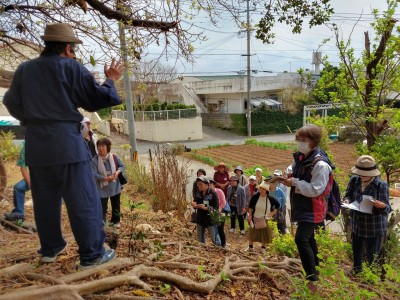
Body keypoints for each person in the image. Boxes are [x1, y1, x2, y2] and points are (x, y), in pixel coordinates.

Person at [3, 23, 123, 268]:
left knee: (45, 199)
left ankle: (50, 248)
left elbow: (10, 101)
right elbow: (96, 99)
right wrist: (110, 81)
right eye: (73, 50)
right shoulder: (72, 67)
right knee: (83, 200)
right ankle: (92, 255)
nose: (74, 54)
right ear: (68, 48)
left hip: (37, 144)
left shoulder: (25, 69)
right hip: (67, 143)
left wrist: (30, 120)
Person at [281, 124, 335, 287]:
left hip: (313, 207)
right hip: (303, 205)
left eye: (304, 140)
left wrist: (294, 182)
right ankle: (315, 270)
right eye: (298, 139)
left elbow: (316, 189)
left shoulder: (320, 164)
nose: (300, 143)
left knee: (301, 239)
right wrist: (287, 174)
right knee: (309, 239)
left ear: (314, 141)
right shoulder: (301, 156)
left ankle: (311, 279)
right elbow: (294, 168)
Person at [343, 155, 391, 275]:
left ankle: (371, 276)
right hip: (357, 223)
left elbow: (388, 208)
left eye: (365, 174)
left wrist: (382, 206)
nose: (362, 176)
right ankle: (356, 269)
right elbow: (347, 195)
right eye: (360, 173)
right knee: (356, 249)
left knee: (372, 253)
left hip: (373, 226)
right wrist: (347, 201)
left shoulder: (381, 185)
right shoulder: (354, 180)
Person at [92, 138, 125, 228]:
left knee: (116, 205)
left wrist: (117, 172)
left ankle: (116, 221)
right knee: (102, 206)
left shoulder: (114, 157)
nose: (101, 148)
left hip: (115, 185)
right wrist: (105, 178)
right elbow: (94, 174)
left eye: (103, 146)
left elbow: (122, 166)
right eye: (99, 146)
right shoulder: (94, 160)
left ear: (107, 147)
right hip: (102, 187)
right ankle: (102, 223)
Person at [247, 181, 280, 253]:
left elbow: (278, 205)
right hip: (255, 218)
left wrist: (272, 213)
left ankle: (263, 248)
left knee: (265, 234)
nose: (261, 190)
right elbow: (250, 206)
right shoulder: (255, 196)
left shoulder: (270, 198)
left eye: (263, 189)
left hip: (265, 219)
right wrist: (250, 215)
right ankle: (250, 247)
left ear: (266, 190)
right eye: (260, 188)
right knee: (252, 233)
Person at [191, 175, 221, 246]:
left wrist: (206, 208)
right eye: (198, 184)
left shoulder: (213, 193)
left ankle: (220, 249)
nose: (199, 186)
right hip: (200, 218)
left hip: (210, 218)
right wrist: (194, 204)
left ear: (207, 184)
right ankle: (202, 249)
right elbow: (195, 202)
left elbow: (216, 208)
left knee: (215, 238)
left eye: (201, 184)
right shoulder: (199, 193)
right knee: (200, 239)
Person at [4, 142, 30, 222]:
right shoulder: (26, 147)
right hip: (35, 177)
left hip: (50, 175)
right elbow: (23, 167)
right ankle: (19, 214)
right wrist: (30, 182)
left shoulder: (48, 143)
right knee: (18, 187)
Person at [209, 178, 227, 248]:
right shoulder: (209, 193)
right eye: (208, 184)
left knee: (220, 228)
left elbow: (223, 202)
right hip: (214, 212)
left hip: (222, 211)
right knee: (214, 228)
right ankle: (217, 242)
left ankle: (223, 244)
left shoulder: (219, 191)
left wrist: (219, 209)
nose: (209, 185)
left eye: (210, 184)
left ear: (214, 185)